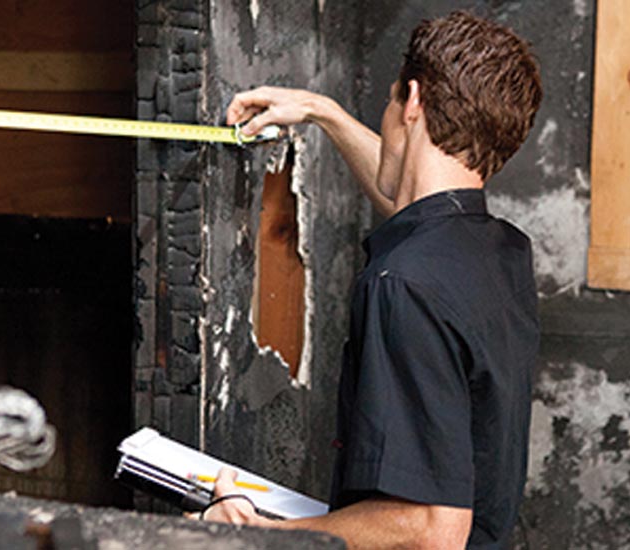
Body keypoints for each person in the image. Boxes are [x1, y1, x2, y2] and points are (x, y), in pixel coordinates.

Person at [196, 10, 542, 549]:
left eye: (389, 101)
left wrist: (265, 537)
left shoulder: (402, 282)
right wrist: (323, 113)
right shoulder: (498, 252)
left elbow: (431, 530)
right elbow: (415, 205)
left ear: (412, 102)